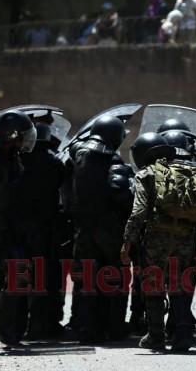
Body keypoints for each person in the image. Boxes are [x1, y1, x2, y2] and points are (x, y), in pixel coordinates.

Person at [120, 132, 196, 352]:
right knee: (180, 285)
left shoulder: (146, 174)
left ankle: (156, 336)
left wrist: (127, 242)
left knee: (153, 285)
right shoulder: (184, 170)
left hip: (156, 238)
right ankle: (183, 334)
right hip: (185, 237)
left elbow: (139, 211)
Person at [0, 110, 37, 353]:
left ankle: (2, 327)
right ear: (11, 135)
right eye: (22, 136)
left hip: (8, 227)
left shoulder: (10, 154)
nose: (25, 141)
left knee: (19, 277)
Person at [69, 115, 133, 344]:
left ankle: (85, 328)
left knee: (85, 280)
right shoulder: (111, 158)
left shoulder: (77, 154)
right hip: (108, 229)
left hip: (82, 229)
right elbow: (121, 194)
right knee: (114, 277)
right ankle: (114, 327)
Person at [16, 123, 65, 340]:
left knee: (18, 276)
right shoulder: (53, 162)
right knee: (43, 277)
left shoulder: (18, 159)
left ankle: (15, 324)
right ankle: (40, 324)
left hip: (19, 226)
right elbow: (61, 182)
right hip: (45, 227)